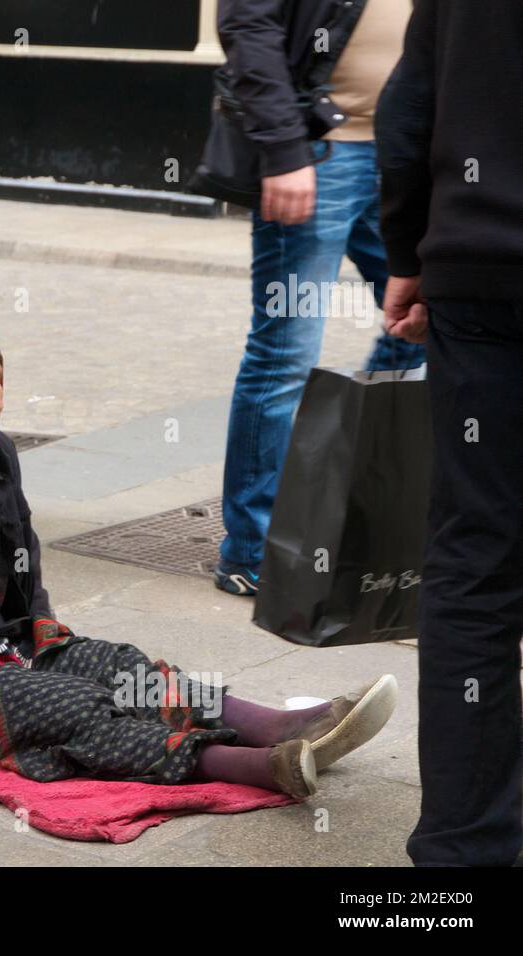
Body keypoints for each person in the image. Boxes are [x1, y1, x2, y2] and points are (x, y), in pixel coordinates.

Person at [0, 319, 397, 796]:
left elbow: (22, 567)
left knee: (120, 665)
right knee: (69, 706)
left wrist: (52, 641)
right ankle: (253, 764)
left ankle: (275, 724)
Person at [376, 0, 523, 867]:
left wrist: (410, 251)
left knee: (474, 560)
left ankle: (465, 852)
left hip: (480, 269)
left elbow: (409, 105)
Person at [213, 0, 426, 596]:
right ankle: (252, 552)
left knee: (420, 331)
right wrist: (283, 147)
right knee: (286, 354)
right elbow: (246, 22)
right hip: (323, 151)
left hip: (411, 155)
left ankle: (354, 518)